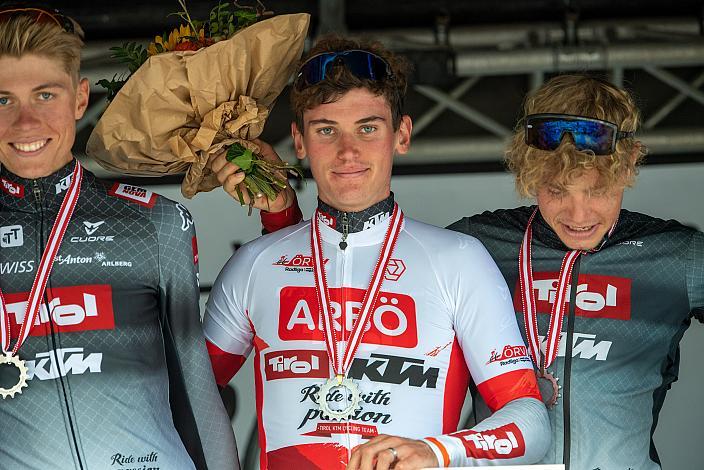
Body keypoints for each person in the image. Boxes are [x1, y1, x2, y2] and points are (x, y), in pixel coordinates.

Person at [203, 36, 550, 470]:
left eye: (368, 127)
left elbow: (531, 422)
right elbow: (187, 399)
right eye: (326, 130)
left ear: (401, 134)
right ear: (299, 140)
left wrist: (437, 451)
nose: (348, 151)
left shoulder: (458, 260)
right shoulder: (255, 265)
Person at [0, 6, 239, 469]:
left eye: (44, 95)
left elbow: (196, 387)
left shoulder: (153, 223)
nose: (25, 122)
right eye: (1, 100)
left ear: (79, 98)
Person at [445, 74, 704, 470]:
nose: (578, 216)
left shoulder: (676, 256)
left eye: (598, 191)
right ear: (529, 172)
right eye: (556, 190)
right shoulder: (477, 246)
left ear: (630, 161)